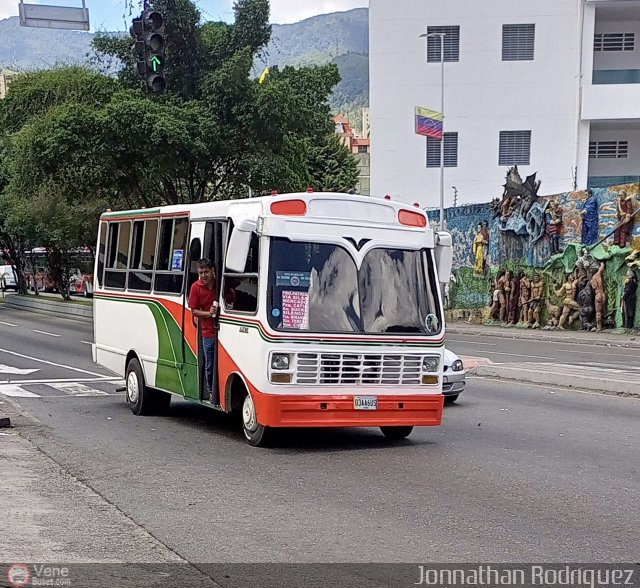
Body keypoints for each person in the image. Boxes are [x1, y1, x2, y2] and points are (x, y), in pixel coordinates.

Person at [189, 258, 219, 402]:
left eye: (206, 272)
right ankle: (212, 391)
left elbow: (231, 296)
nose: (203, 276)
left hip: (224, 332)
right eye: (201, 272)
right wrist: (208, 314)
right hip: (208, 332)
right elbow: (194, 311)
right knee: (210, 364)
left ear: (213, 271)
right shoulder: (196, 287)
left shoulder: (219, 285)